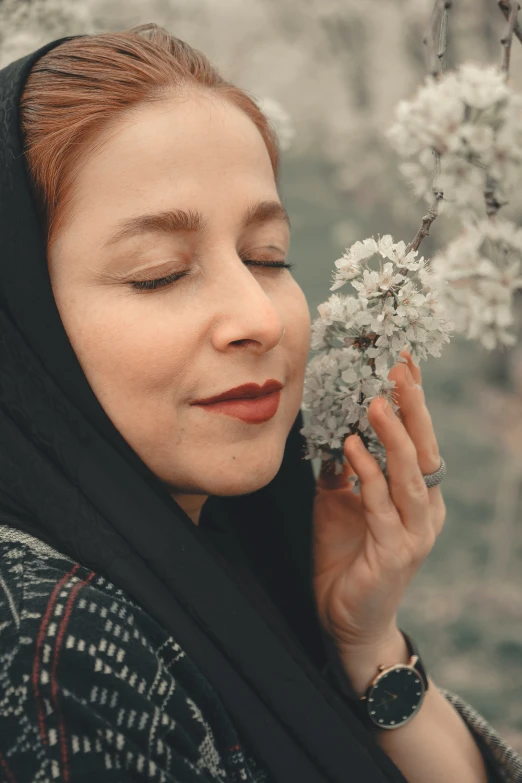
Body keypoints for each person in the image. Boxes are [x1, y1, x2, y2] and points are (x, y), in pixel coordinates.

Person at [0, 22, 520, 783]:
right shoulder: (49, 646)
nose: (261, 317)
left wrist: (366, 644)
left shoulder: (224, 553)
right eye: (159, 273)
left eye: (267, 256)